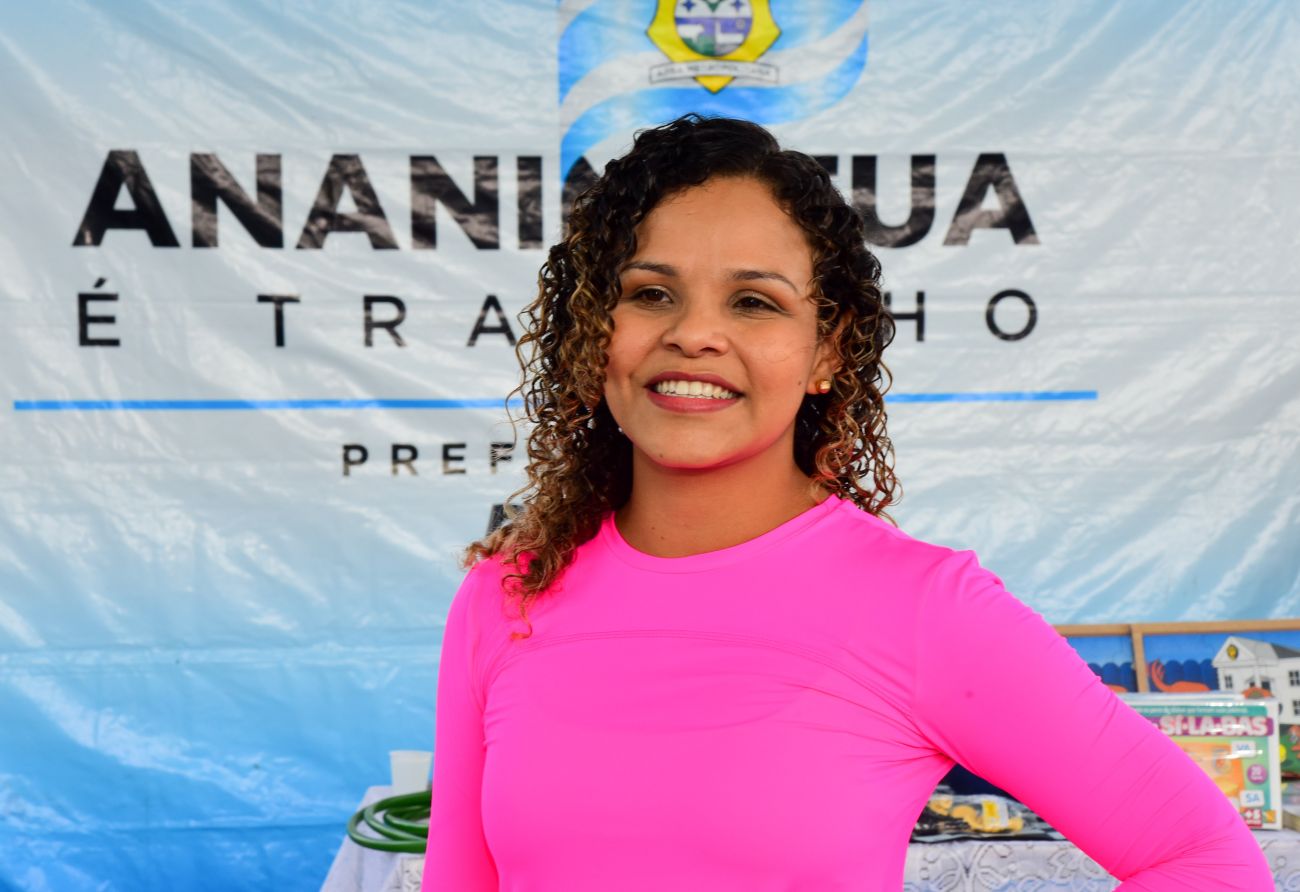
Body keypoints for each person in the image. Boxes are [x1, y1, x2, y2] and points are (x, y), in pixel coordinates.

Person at [421, 115, 1271, 890]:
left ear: (826, 349)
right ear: (592, 329)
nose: (694, 334)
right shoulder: (507, 594)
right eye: (650, 293)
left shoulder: (925, 609)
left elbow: (1205, 860)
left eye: (754, 302)